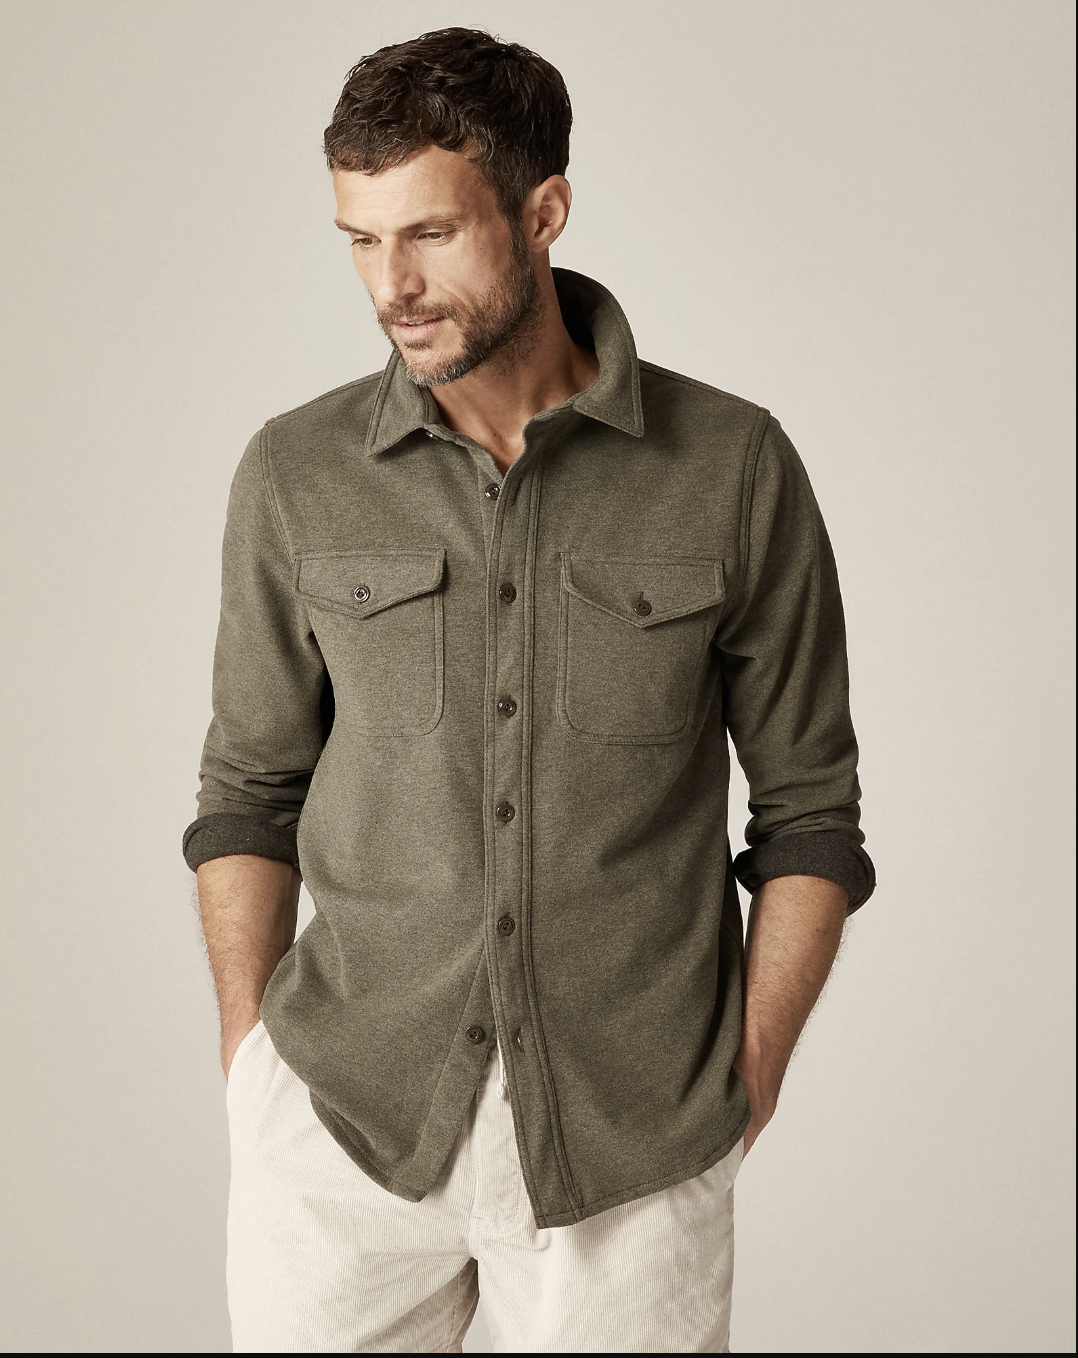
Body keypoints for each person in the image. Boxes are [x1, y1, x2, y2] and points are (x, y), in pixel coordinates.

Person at [184, 26, 875, 1353]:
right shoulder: (295, 472)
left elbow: (810, 814)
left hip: (631, 1147)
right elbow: (247, 791)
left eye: (430, 234)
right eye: (359, 239)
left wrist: (749, 1073)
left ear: (543, 211)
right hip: (338, 1129)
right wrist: (248, 1067)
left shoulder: (730, 466)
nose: (392, 285)